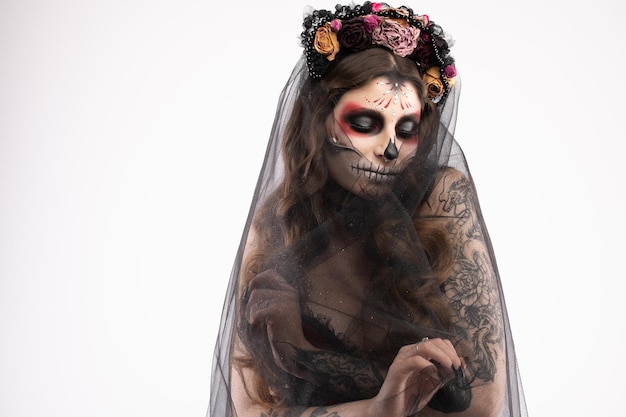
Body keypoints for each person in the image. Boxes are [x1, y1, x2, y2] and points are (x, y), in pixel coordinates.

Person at [209, 2, 527, 416]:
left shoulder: (439, 197)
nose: (391, 150)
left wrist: (302, 353)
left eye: (406, 129)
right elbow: (251, 409)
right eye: (364, 124)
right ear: (321, 120)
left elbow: (481, 401)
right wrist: (379, 407)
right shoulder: (276, 222)